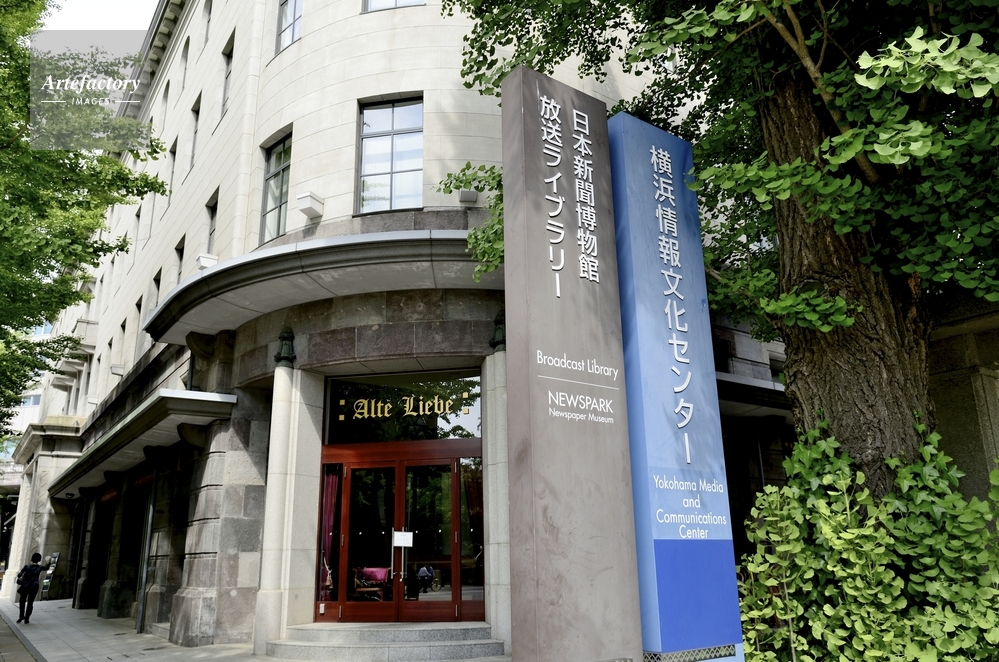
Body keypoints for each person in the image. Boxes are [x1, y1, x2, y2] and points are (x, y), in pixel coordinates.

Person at [15, 553, 49, 624]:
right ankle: (27, 618)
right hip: (34, 586)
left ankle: (21, 616)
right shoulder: (40, 567)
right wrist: (48, 561)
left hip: (25, 586)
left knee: (22, 601)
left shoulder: (27, 566)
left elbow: (19, 575)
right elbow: (47, 568)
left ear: (32, 558)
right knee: (30, 603)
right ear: (39, 559)